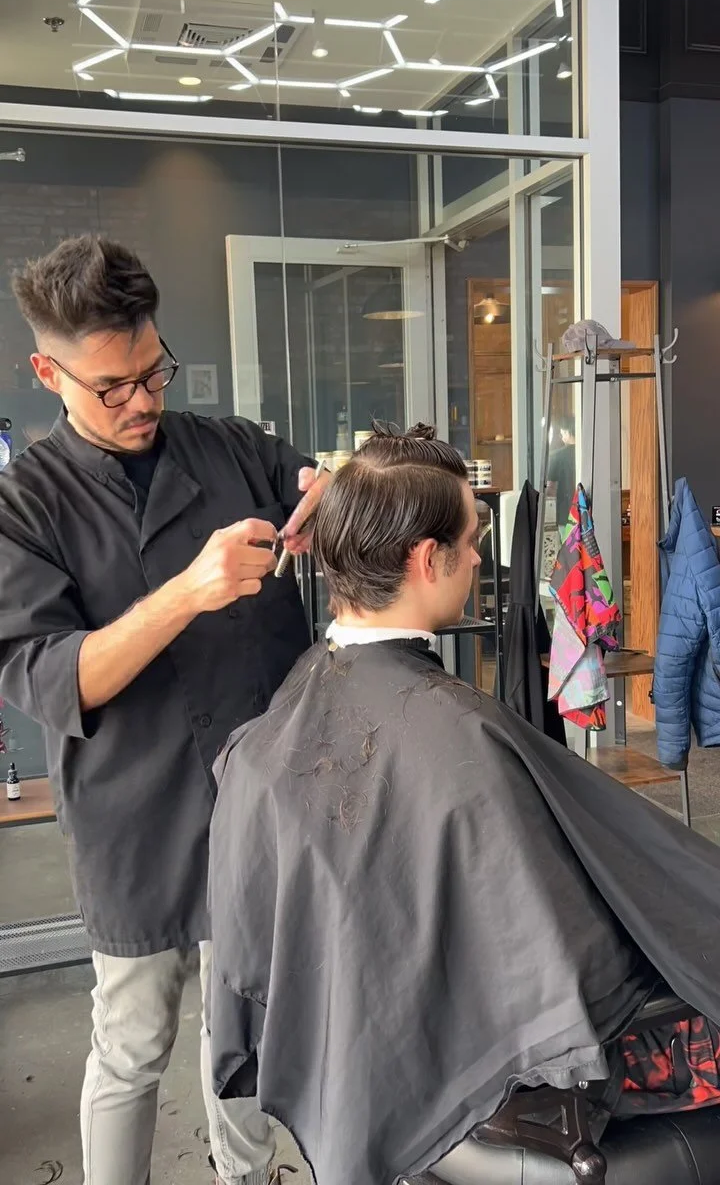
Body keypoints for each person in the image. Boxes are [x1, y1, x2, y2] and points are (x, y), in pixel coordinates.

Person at [208, 422, 720, 1185]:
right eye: (471, 540)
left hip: (361, 1058)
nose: (479, 558)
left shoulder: (269, 731)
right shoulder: (463, 745)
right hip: (492, 1082)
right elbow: (565, 959)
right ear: (426, 559)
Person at [0, 236, 328, 1185]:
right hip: (132, 811)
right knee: (133, 1038)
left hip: (257, 796)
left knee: (245, 1027)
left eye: (153, 372)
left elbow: (320, 487)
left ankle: (246, 1175)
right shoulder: (25, 506)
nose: (142, 401)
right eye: (112, 387)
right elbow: (51, 675)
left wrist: (338, 493)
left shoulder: (231, 449)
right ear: (48, 374)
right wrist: (189, 590)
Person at [546, 414, 576, 532]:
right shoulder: (585, 454)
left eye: (562, 433)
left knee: (567, 543)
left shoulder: (556, 456)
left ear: (568, 432)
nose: (562, 437)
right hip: (585, 511)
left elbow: (550, 488)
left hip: (565, 513)